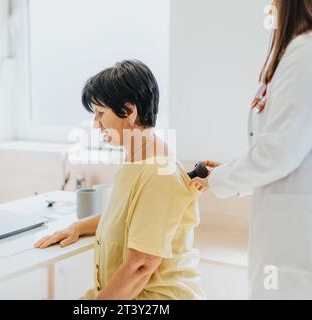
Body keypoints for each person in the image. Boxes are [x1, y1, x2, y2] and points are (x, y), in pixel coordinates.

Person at [190, 0, 312, 299]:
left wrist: (218, 180)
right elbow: (286, 150)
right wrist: (225, 173)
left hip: (310, 247)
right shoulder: (309, 50)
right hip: (293, 239)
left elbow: (279, 153)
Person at [35, 60, 205, 300]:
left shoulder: (158, 173)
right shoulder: (138, 164)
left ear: (129, 111)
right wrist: (77, 227)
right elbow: (127, 219)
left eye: (101, 113)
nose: (96, 124)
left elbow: (140, 267)